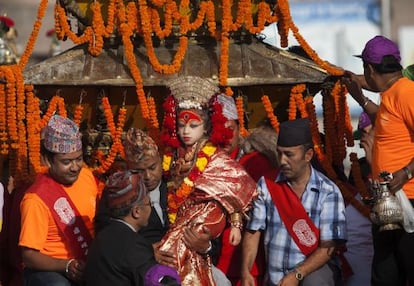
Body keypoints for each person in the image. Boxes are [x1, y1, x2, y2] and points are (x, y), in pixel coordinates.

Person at [159, 76, 258, 285]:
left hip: (205, 221)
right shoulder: (172, 157)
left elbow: (237, 188)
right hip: (178, 219)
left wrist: (237, 224)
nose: (186, 131)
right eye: (181, 125)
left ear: (206, 127)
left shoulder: (215, 157)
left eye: (193, 125)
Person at [241, 117, 347, 286]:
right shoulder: (266, 184)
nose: (282, 160)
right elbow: (253, 232)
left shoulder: (328, 191)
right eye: (279, 153)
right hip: (275, 279)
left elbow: (329, 247)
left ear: (308, 155)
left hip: (310, 274)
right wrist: (246, 271)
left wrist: (297, 275)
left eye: (289, 155)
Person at [343, 35, 414, 286]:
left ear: (370, 69)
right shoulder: (392, 93)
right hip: (390, 203)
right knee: (385, 276)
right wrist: (359, 96)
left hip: (409, 201)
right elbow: (386, 122)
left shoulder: (406, 92)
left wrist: (406, 172)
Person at [18, 115, 99, 286]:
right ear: (48, 160)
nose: (75, 167)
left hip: (88, 260)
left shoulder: (87, 177)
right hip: (51, 270)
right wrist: (66, 266)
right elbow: (29, 256)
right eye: (66, 162)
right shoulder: (35, 199)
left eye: (78, 159)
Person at [215, 94, 278, 286]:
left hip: (244, 261)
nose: (226, 137)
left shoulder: (254, 161)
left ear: (238, 128)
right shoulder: (203, 161)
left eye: (230, 130)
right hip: (213, 258)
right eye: (219, 131)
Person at [85, 170, 180, 286]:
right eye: (149, 204)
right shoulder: (133, 245)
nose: (150, 209)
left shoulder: (102, 236)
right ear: (137, 211)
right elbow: (160, 281)